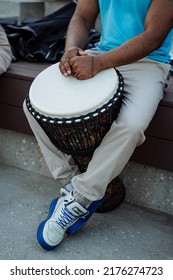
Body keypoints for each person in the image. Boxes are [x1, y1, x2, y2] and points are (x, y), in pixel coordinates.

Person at [23, 0, 173, 251]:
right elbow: (82, 16)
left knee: (132, 125)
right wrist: (71, 48)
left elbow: (153, 36)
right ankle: (71, 184)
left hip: (147, 63)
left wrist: (98, 64)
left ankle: (81, 199)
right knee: (33, 106)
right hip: (100, 54)